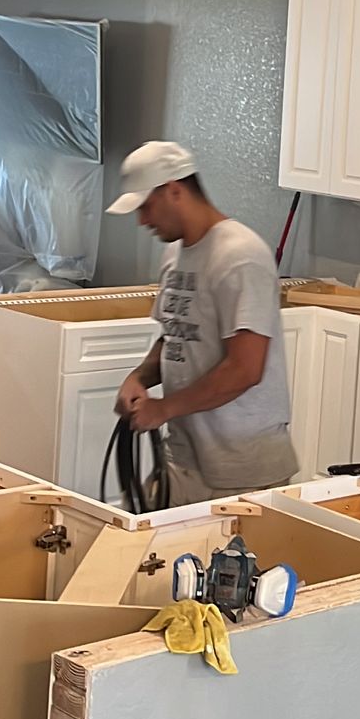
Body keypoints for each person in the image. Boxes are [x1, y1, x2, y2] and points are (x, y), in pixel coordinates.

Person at [108, 141, 296, 504]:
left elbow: (245, 369)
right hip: (185, 461)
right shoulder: (175, 254)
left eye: (146, 207)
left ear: (174, 190)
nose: (142, 221)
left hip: (243, 471)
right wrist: (140, 377)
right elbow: (176, 336)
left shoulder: (240, 256)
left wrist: (163, 408)